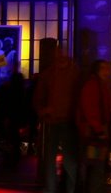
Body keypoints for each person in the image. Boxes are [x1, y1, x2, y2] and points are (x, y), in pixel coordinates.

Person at [34, 50, 81, 193]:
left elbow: (38, 97)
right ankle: (65, 187)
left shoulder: (52, 74)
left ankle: (54, 187)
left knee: (58, 158)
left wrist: (43, 110)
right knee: (67, 159)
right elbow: (38, 97)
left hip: (61, 120)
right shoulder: (74, 73)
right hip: (60, 120)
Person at [77, 59, 111, 193]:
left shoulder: (99, 85)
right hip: (94, 132)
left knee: (93, 166)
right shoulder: (95, 86)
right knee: (95, 167)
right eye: (104, 68)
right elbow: (91, 109)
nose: (108, 71)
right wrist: (99, 129)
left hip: (94, 131)